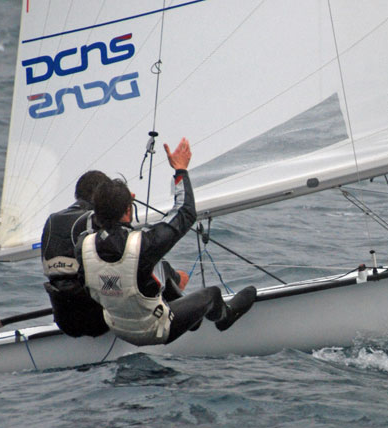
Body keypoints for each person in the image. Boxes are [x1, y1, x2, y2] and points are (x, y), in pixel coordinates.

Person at [78, 138, 256, 346]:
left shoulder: (83, 245)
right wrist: (181, 170)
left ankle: (189, 315)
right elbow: (185, 213)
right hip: (155, 330)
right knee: (212, 294)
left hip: (116, 327)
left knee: (156, 271)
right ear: (128, 210)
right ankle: (225, 318)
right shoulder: (143, 245)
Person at [41, 169, 111, 337]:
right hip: (98, 321)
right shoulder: (95, 220)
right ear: (100, 196)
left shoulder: (51, 220)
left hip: (63, 319)